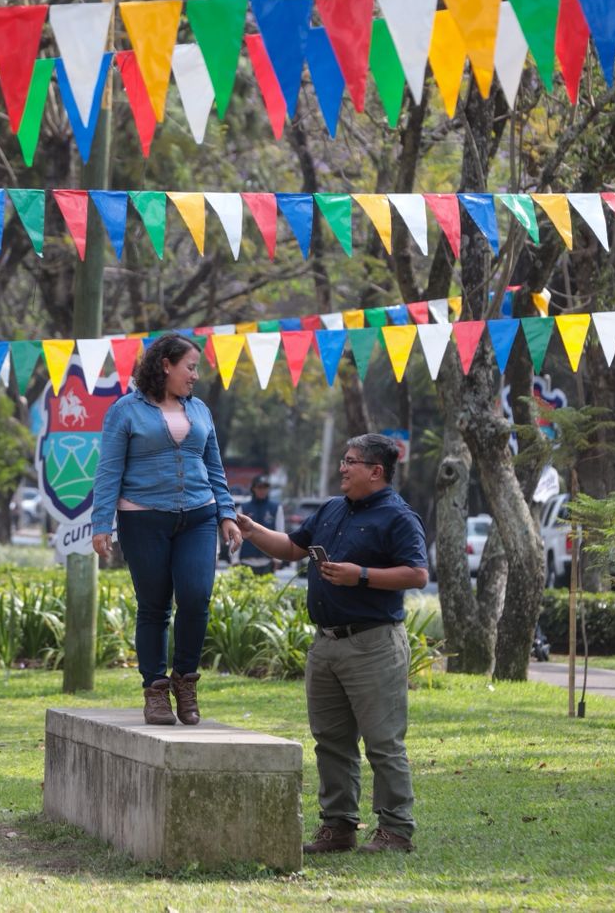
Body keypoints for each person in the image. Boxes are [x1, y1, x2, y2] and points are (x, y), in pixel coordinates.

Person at [236, 434, 428, 856]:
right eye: (343, 459)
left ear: (376, 471)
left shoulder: (398, 517)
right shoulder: (332, 509)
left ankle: (396, 830)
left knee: (383, 742)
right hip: (326, 643)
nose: (342, 467)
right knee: (331, 740)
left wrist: (361, 575)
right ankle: (338, 826)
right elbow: (292, 547)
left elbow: (417, 574)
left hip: (373, 644)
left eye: (350, 461)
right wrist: (252, 531)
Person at [92, 334, 242, 726]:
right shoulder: (125, 410)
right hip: (143, 519)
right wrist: (101, 523)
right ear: (165, 365)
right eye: (190, 367)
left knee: (195, 597)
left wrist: (226, 513)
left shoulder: (201, 410)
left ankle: (185, 681)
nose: (195, 375)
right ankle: (155, 690)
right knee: (154, 605)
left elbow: (214, 466)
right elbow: (109, 469)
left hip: (199, 515)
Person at [237, 476, 284, 574]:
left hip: (267, 560)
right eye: (259, 487)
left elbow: (280, 532)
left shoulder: (276, 508)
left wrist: (278, 558)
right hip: (246, 560)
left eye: (265, 487)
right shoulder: (243, 508)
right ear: (253, 488)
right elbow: (237, 534)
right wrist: (234, 559)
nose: (262, 490)